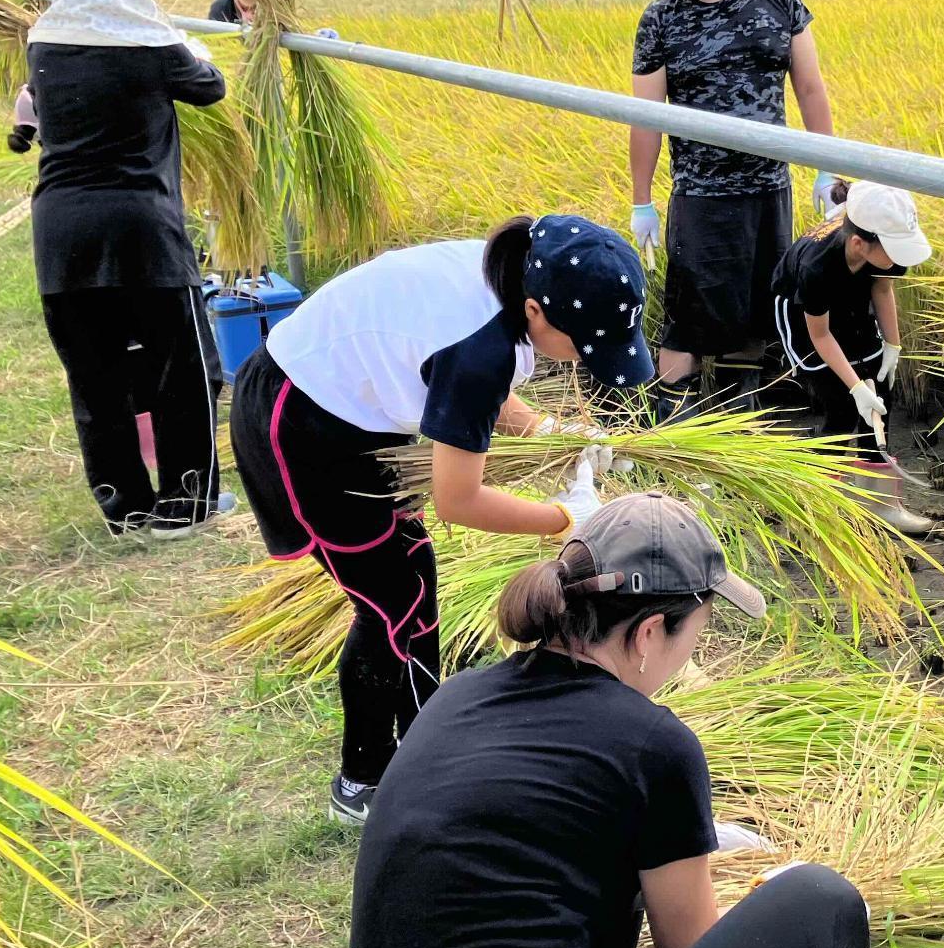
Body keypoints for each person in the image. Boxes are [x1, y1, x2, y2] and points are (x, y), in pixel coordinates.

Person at [343, 490, 870, 948]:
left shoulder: (460, 696)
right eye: (697, 631)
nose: (691, 653)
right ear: (650, 633)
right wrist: (758, 913)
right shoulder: (655, 745)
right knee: (824, 909)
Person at [229, 215, 653, 825]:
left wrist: (547, 433)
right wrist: (563, 519)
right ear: (536, 311)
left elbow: (473, 383)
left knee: (408, 586)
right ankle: (374, 778)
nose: (584, 361)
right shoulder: (478, 343)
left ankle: (415, 754)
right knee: (392, 604)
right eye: (583, 345)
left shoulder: (511, 274)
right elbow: (461, 498)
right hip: (304, 427)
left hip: (347, 412)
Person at [26, 0, 230, 540]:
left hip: (59, 227)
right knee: (184, 365)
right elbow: (211, 87)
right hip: (141, 225)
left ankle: (125, 505)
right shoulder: (152, 42)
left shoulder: (43, 38)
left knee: (95, 371)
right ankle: (186, 504)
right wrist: (189, 43)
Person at [629, 0, 835, 421]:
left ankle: (738, 417)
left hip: (769, 190)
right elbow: (645, 116)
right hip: (701, 196)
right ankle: (672, 427)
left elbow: (810, 90)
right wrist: (641, 199)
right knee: (689, 316)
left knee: (756, 309)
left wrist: (827, 166)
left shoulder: (778, 2)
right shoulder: (661, 19)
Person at [771, 179, 933, 535]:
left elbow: (882, 287)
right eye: (895, 250)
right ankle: (817, 508)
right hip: (806, 318)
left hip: (851, 300)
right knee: (842, 406)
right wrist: (856, 386)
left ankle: (883, 505)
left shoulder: (880, 249)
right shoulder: (817, 267)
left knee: (881, 399)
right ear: (860, 243)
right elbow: (820, 334)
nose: (900, 260)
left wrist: (892, 345)